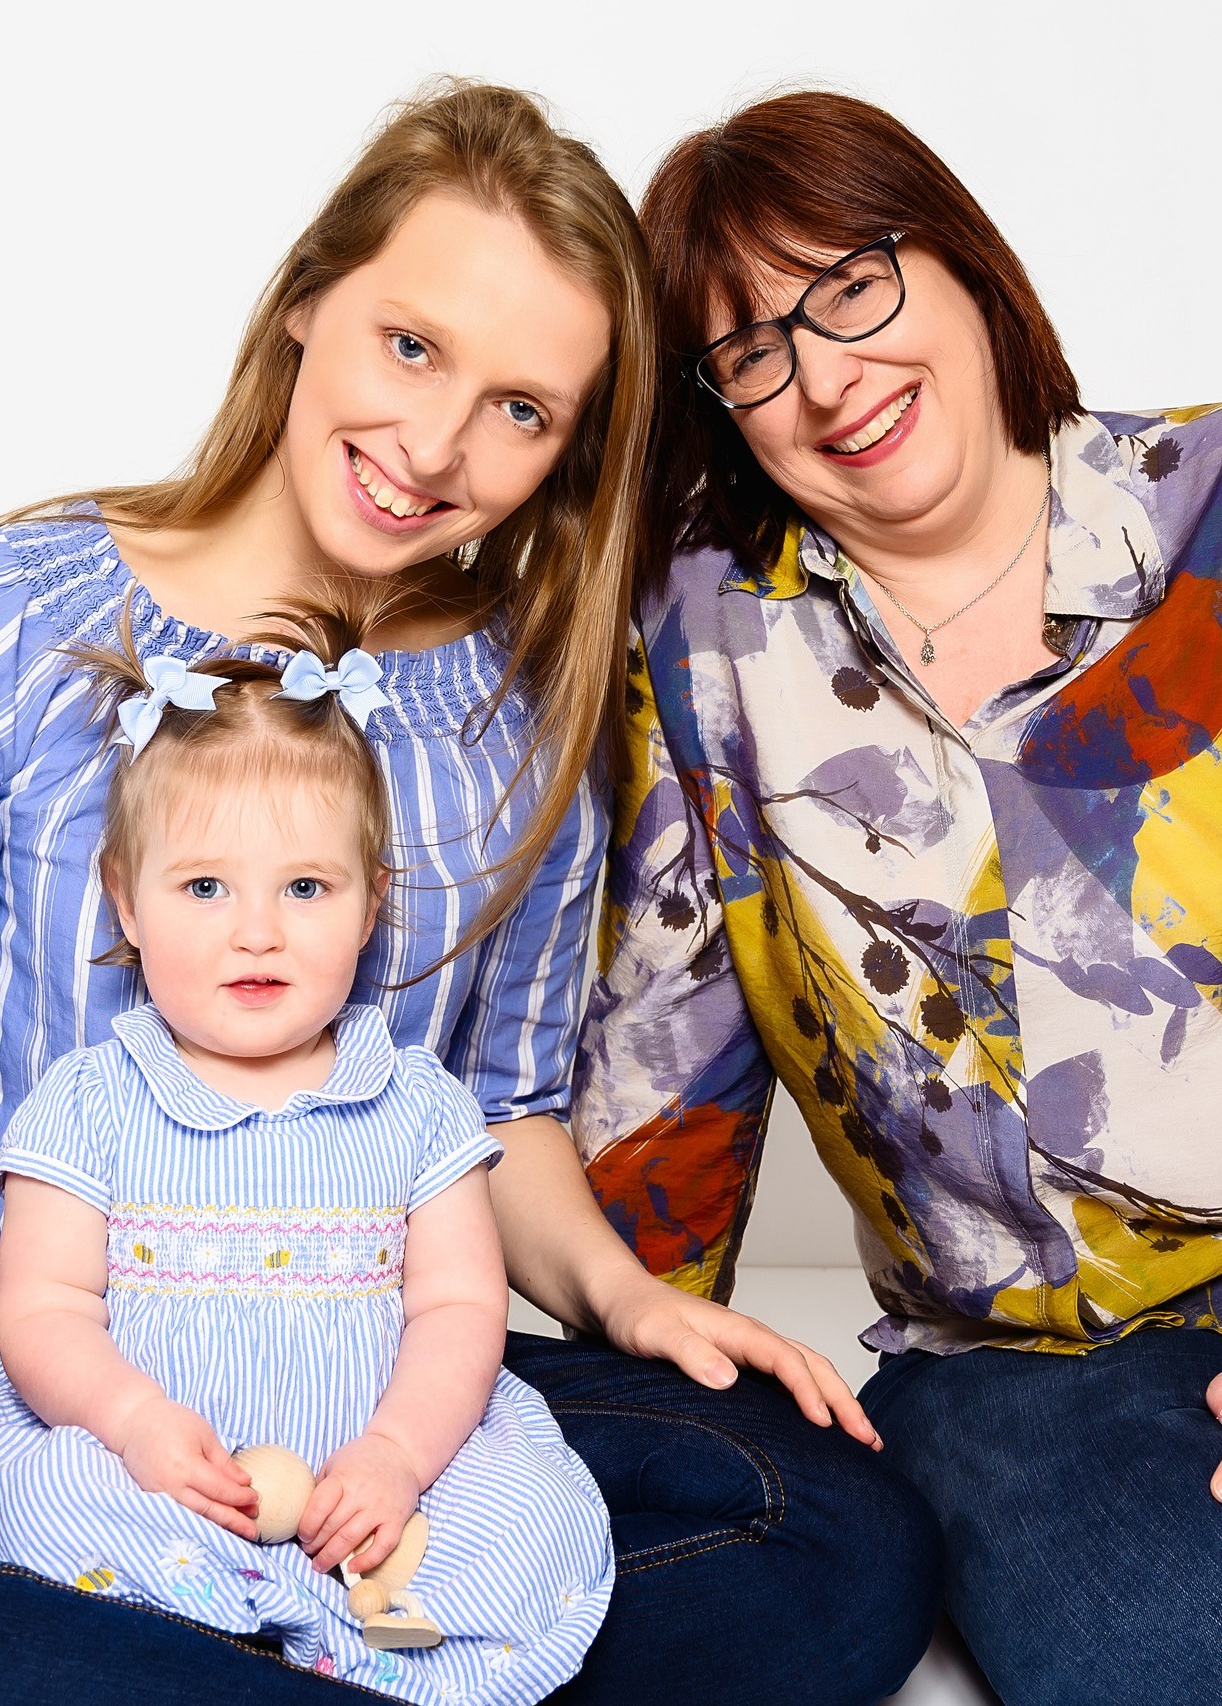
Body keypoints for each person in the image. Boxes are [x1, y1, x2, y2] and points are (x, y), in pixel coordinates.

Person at [0, 80, 938, 1706]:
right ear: (308, 302)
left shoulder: (524, 718)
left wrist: (627, 1300)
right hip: (18, 1342)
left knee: (835, 1528)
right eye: (411, 346)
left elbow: (503, 1117)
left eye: (521, 408)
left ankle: (151, 1655)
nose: (433, 449)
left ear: (568, 451)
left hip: (382, 1372)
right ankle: (358, 1663)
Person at [574, 84, 1222, 1706]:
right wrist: (616, 1400)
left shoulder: (1200, 503)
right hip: (1022, 1373)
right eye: (754, 351)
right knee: (1159, 1656)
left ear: (957, 260)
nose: (827, 375)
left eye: (851, 285)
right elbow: (671, 1075)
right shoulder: (710, 640)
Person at [0, 602, 614, 1703]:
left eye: (306, 887)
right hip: (164, 1466)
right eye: (205, 886)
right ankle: (207, 1628)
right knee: (49, 1492)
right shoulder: (88, 1100)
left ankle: (362, 1643)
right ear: (126, 895)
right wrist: (135, 1422)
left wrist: (398, 1456)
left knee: (530, 1512)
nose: (256, 928)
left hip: (375, 1468)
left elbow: (459, 1308)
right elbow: (42, 1312)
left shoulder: (415, 1103)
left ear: (370, 906)